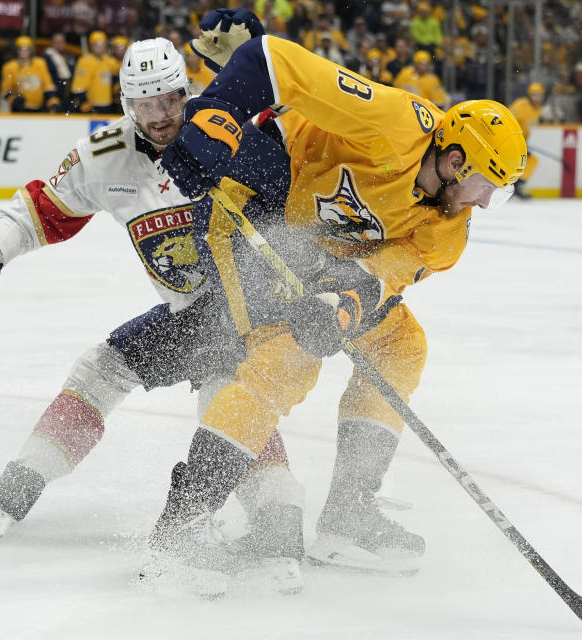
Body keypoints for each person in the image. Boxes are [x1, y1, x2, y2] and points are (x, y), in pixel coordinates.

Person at [0, 38, 305, 599]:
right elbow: (35, 213)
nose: (160, 115)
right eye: (145, 103)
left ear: (186, 92)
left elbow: (293, 190)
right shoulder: (104, 157)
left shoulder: (228, 136)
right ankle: (17, 488)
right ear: (126, 103)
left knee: (231, 405)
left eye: (170, 99)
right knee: (102, 373)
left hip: (255, 312)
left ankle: (279, 522)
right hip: (188, 313)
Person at [161, 9, 526, 576]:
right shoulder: (395, 123)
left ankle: (349, 513)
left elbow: (383, 275)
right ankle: (182, 524)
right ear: (455, 161)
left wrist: (345, 303)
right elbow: (272, 60)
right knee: (285, 361)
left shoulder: (448, 230)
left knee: (400, 344)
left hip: (319, 248)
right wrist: (219, 110)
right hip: (256, 201)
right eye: (485, 185)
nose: (484, 202)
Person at [0, 35, 59, 113]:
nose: (24, 52)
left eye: (27, 49)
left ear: (31, 50)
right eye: (21, 49)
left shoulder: (40, 63)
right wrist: (13, 99)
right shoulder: (10, 67)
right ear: (17, 50)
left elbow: (48, 84)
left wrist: (52, 100)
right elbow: (5, 90)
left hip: (39, 108)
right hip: (19, 109)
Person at [508, 82, 544, 198]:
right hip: (511, 140)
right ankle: (512, 186)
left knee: (532, 161)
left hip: (521, 142)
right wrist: (515, 142)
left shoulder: (538, 109)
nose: (537, 97)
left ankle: (516, 185)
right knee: (528, 161)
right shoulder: (521, 105)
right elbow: (507, 121)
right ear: (529, 95)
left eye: (539, 95)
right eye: (534, 94)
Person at [71, 30, 121, 114]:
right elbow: (78, 87)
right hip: (91, 106)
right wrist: (84, 102)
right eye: (96, 44)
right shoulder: (84, 61)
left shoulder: (109, 60)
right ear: (91, 45)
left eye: (102, 44)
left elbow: (118, 72)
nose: (100, 47)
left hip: (108, 105)